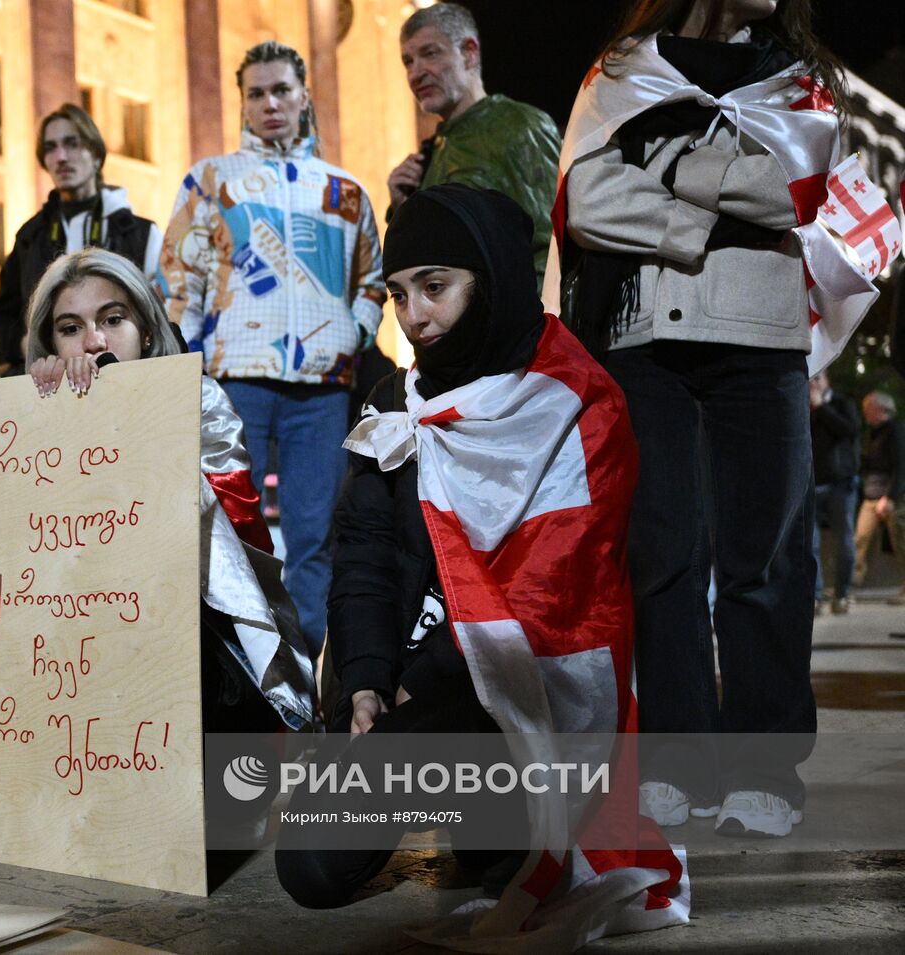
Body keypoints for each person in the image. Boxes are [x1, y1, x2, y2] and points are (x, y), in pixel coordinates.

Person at [275, 185, 685, 950]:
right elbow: (363, 550)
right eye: (398, 294)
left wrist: (414, 690)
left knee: (512, 860)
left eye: (435, 287)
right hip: (405, 684)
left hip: (515, 688)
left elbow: (555, 599)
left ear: (490, 280)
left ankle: (498, 812)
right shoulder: (398, 398)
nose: (415, 315)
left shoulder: (574, 401)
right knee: (311, 868)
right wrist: (363, 681)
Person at [555, 0, 850, 836]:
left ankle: (765, 767)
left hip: (762, 341)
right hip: (643, 338)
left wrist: (666, 164)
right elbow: (586, 201)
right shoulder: (621, 71)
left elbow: (802, 192)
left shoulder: (802, 86)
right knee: (663, 557)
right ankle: (680, 762)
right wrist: (716, 202)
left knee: (768, 559)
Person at [26, 248, 316, 731]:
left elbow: (238, 529)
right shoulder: (33, 413)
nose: (95, 341)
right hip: (80, 666)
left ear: (145, 327)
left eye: (113, 319)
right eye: (71, 328)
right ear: (50, 342)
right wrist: (50, 418)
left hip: (202, 654)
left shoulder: (198, 400)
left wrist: (127, 414)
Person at [158, 41, 385, 659]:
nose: (270, 104)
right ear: (243, 103)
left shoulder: (345, 191)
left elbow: (371, 282)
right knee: (230, 534)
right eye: (256, 93)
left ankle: (310, 683)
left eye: (281, 90)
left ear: (304, 96)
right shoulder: (211, 182)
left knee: (314, 539)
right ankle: (244, 672)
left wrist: (350, 334)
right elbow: (180, 283)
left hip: (322, 390)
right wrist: (189, 369)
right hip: (237, 385)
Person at [385, 2, 560, 283]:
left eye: (429, 53)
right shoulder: (433, 151)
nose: (415, 73)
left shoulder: (519, 127)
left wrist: (537, 324)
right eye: (408, 61)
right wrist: (402, 210)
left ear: (468, 52)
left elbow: (553, 246)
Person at [0, 104, 162, 376]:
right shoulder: (29, 236)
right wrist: (27, 345)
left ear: (96, 154)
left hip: (127, 379)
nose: (60, 157)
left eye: (72, 144)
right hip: (48, 382)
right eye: (50, 148)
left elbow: (163, 313)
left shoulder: (141, 234)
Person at [809, 371, 860, 613]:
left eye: (817, 378)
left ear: (827, 380)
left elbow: (849, 430)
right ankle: (816, 596)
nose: (813, 383)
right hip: (812, 483)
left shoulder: (842, 403)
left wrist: (822, 408)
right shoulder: (802, 406)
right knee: (810, 544)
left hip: (840, 482)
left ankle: (841, 593)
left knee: (844, 541)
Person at [852, 391, 905, 601]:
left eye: (869, 409)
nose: (865, 414)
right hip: (871, 494)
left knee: (900, 540)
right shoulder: (872, 434)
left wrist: (890, 497)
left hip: (892, 495)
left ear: (882, 409)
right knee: (860, 538)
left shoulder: (896, 431)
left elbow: (901, 467)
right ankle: (850, 584)